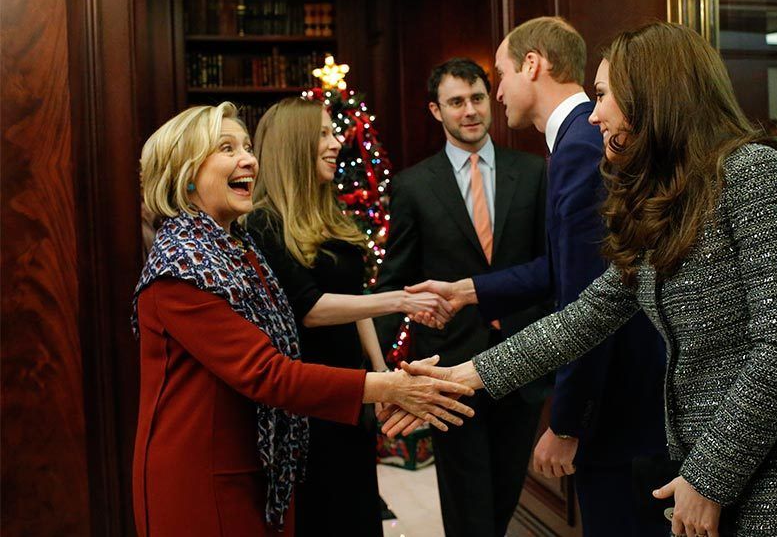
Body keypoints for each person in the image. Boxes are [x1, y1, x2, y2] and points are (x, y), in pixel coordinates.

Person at [389, 21, 777, 537]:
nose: (597, 111)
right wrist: (465, 375)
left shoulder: (756, 174)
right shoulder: (665, 200)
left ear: (654, 95)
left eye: (605, 95)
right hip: (714, 471)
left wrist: (709, 478)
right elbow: (585, 317)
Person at [132, 101, 475, 537]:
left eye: (247, 146)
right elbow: (268, 374)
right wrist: (390, 386)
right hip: (204, 479)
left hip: (256, 463)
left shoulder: (235, 249)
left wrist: (381, 373)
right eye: (226, 148)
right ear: (185, 174)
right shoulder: (181, 269)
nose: (249, 159)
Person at [406, 17, 667, 536]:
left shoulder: (578, 147)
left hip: (619, 411)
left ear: (532, 64)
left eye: (500, 75)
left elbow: (589, 303)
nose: (497, 92)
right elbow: (568, 268)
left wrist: (568, 420)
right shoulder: (573, 143)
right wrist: (468, 290)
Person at [243, 97, 453, 536]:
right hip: (306, 402)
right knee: (326, 514)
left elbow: (352, 298)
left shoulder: (329, 212)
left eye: (333, 132)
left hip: (352, 395)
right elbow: (314, 309)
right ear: (294, 145)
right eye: (322, 134)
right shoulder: (263, 223)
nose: (337, 142)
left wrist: (381, 378)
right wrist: (400, 300)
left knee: (358, 512)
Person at [373, 58, 549, 537]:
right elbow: (396, 276)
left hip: (524, 359)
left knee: (504, 495)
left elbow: (551, 269)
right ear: (436, 110)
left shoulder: (534, 173)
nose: (469, 111)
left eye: (476, 98)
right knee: (466, 500)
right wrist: (372, 370)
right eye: (456, 102)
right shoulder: (413, 185)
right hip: (448, 367)